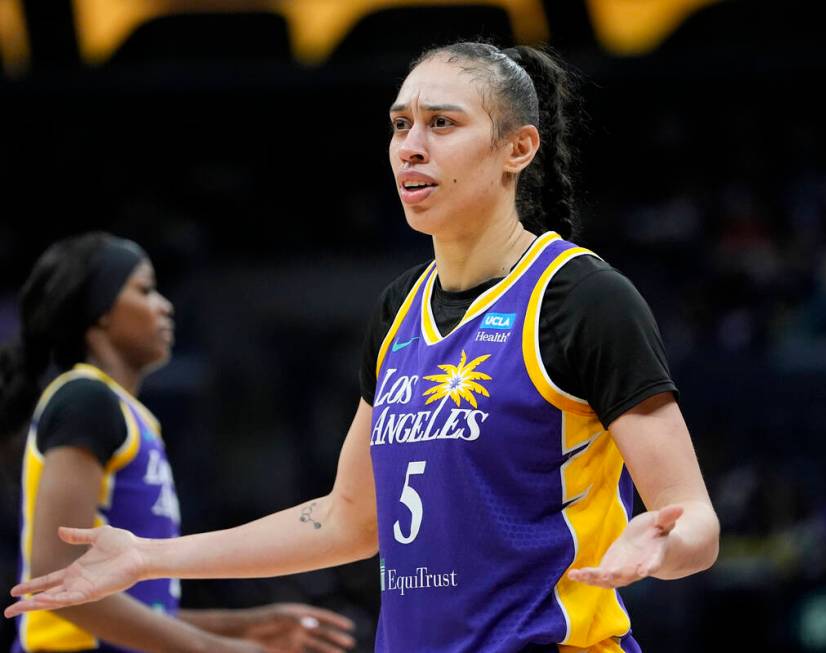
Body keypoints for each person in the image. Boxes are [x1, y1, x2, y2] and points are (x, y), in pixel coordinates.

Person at [5, 42, 720, 652]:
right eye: (400, 124)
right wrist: (145, 556)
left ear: (518, 148)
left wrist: (663, 545)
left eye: (442, 123)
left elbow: (693, 518)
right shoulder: (398, 308)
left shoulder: (582, 298)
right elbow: (348, 518)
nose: (411, 145)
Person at [0, 233, 356, 653]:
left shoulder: (128, 414)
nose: (164, 305)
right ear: (100, 312)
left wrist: (245, 626)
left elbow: (138, 606)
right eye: (145, 290)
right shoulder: (85, 399)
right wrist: (222, 650)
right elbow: (57, 577)